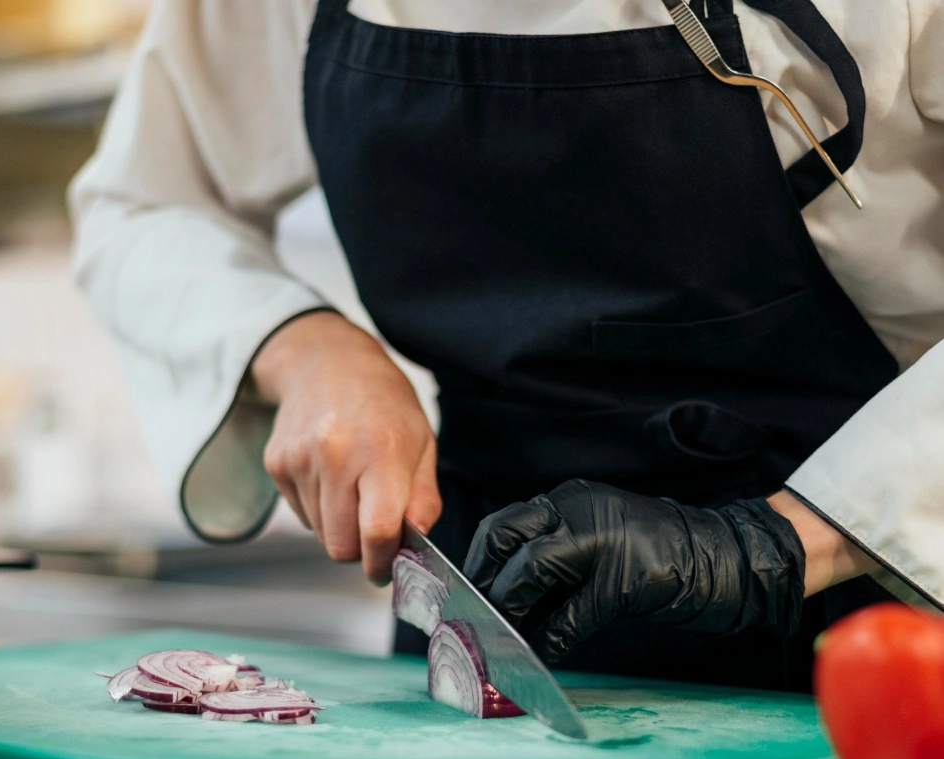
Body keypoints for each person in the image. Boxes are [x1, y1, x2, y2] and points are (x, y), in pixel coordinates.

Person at [71, 0, 944, 692]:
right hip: (482, 598)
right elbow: (144, 202)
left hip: (872, 604)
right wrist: (306, 349)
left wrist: (774, 546)